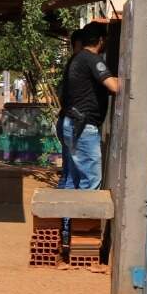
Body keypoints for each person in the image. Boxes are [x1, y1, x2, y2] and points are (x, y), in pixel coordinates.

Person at [59, 22, 120, 190]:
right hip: (83, 127)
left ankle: (67, 217)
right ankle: (83, 217)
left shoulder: (77, 59)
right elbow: (114, 86)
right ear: (101, 40)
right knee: (91, 181)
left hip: (72, 123)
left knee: (74, 178)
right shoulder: (91, 59)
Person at [57, 29, 87, 190]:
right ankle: (66, 215)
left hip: (66, 121)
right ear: (79, 44)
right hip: (72, 123)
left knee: (68, 171)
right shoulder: (78, 64)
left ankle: (60, 214)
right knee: (72, 175)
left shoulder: (73, 63)